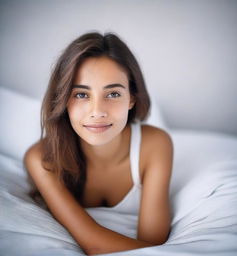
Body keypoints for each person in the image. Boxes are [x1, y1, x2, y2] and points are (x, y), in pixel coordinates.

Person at [24, 31, 174, 255]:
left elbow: (153, 245)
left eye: (113, 94)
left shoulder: (155, 145)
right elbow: (93, 244)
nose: (97, 112)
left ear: (131, 98)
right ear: (63, 99)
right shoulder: (42, 158)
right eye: (81, 95)